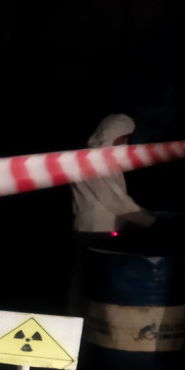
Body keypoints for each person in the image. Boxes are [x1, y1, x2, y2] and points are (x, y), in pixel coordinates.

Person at [68, 113, 155, 315]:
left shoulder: (103, 158)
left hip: (98, 228)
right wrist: (150, 221)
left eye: (128, 138)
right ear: (110, 134)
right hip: (95, 230)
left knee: (89, 279)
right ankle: (83, 322)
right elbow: (115, 200)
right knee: (89, 281)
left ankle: (87, 321)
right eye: (122, 138)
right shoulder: (93, 160)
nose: (125, 143)